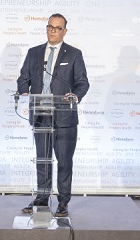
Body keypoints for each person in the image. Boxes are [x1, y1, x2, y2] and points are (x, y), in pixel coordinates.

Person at [17, 13, 90, 217]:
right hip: (41, 115)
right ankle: (42, 197)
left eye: (57, 28)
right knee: (43, 160)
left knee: (64, 161)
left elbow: (83, 83)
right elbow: (23, 79)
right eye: (50, 26)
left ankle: (63, 201)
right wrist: (24, 92)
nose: (52, 30)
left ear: (64, 31)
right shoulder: (33, 53)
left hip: (64, 117)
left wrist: (75, 95)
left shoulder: (74, 54)